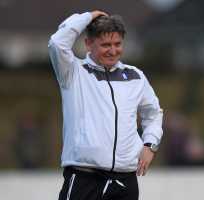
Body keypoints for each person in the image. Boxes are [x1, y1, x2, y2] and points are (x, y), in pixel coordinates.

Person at [48, 10, 163, 200]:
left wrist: (150, 145)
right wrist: (87, 17)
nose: (113, 50)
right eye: (105, 45)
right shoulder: (73, 72)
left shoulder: (135, 76)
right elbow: (57, 43)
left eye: (117, 44)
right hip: (84, 179)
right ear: (88, 44)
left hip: (125, 181)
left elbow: (153, 113)